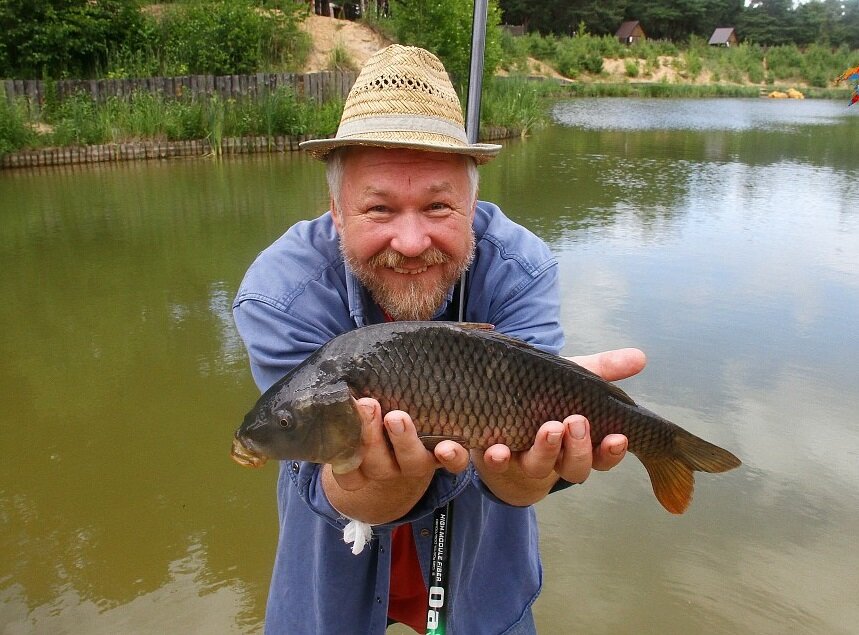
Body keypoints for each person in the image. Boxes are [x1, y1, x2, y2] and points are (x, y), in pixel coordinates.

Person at [233, 44, 644, 634]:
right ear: (337, 210)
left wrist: (527, 473)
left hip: (479, 573)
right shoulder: (280, 292)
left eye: (438, 206)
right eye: (379, 208)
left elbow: (517, 474)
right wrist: (381, 486)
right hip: (331, 574)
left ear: (472, 205)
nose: (411, 242)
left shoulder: (520, 268)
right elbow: (317, 476)